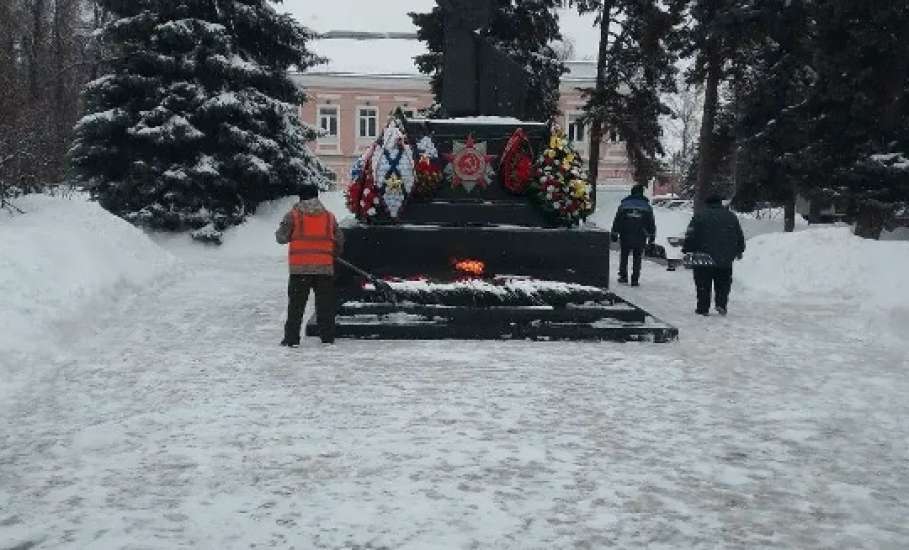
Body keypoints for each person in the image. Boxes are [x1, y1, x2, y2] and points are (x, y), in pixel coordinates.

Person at [275, 185, 344, 346]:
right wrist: (334, 253)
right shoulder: (329, 217)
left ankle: (291, 339)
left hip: (300, 270)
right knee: (325, 305)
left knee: (296, 306)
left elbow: (281, 238)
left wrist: (284, 227)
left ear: (300, 197)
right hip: (324, 269)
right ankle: (327, 337)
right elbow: (339, 239)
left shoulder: (292, 216)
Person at [681, 194, 746, 316]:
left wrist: (687, 249)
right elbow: (738, 234)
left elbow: (691, 234)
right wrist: (739, 250)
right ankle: (721, 304)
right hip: (725, 257)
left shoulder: (700, 216)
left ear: (707, 203)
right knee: (723, 282)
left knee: (703, 283)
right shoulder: (730, 216)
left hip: (703, 256)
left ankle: (703, 307)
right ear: (720, 203)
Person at [611, 184, 657, 286]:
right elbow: (651, 223)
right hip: (640, 235)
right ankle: (635, 279)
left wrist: (614, 233)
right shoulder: (647, 207)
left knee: (624, 255)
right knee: (637, 257)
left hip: (625, 234)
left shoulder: (624, 205)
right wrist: (652, 237)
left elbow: (617, 220)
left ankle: (623, 277)